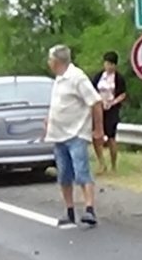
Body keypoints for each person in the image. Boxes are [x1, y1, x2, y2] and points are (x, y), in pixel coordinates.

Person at [41, 44, 104, 228]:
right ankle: (69, 211)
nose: (48, 63)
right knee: (63, 174)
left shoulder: (77, 77)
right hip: (58, 134)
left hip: (76, 133)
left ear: (57, 61)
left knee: (81, 171)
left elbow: (95, 102)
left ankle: (89, 209)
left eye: (50, 59)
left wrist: (98, 129)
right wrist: (49, 120)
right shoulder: (59, 79)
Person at [94, 51, 129, 173]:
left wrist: (112, 103)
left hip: (112, 109)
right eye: (106, 64)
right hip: (99, 108)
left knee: (110, 137)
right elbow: (92, 90)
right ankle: (101, 163)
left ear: (115, 65)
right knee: (96, 136)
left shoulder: (118, 78)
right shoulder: (99, 76)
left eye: (111, 64)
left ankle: (113, 164)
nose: (108, 66)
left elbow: (122, 94)